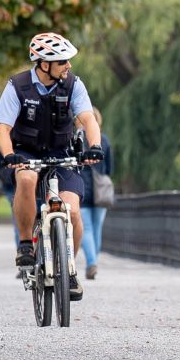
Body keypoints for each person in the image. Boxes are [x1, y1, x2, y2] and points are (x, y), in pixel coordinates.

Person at [0, 32, 104, 301]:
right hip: (25, 152)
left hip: (61, 153)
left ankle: (69, 269)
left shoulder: (74, 85)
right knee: (27, 179)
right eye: (63, 61)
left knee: (73, 212)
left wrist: (95, 146)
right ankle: (24, 244)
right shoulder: (17, 86)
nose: (68, 66)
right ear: (44, 64)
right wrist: (9, 156)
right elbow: (3, 129)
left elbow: (88, 119)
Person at [79, 106, 113, 280]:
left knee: (87, 229)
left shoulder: (77, 140)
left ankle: (91, 262)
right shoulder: (104, 140)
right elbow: (109, 169)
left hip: (83, 189)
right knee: (97, 228)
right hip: (100, 191)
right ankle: (94, 261)